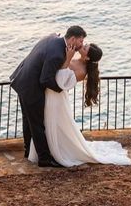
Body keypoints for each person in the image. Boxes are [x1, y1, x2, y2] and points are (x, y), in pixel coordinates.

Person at [27, 42, 131, 167]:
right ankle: (46, 151)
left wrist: (67, 58)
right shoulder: (74, 57)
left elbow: (61, 83)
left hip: (57, 98)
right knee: (46, 122)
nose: (82, 46)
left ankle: (57, 152)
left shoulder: (82, 71)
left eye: (84, 48)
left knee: (54, 124)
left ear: (87, 57)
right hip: (49, 93)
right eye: (85, 45)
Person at [10, 26, 87, 168]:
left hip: (22, 80)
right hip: (31, 88)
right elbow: (45, 79)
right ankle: (44, 159)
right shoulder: (57, 54)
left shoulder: (53, 38)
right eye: (81, 41)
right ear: (72, 39)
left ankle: (28, 151)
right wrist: (60, 90)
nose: (81, 44)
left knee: (29, 121)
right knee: (38, 125)